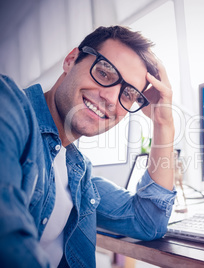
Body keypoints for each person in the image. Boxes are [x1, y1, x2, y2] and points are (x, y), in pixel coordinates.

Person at [0, 25, 176, 267]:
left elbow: (148, 222)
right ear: (71, 60)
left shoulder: (79, 173)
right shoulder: (8, 105)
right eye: (104, 73)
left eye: (128, 94)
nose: (112, 99)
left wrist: (163, 123)